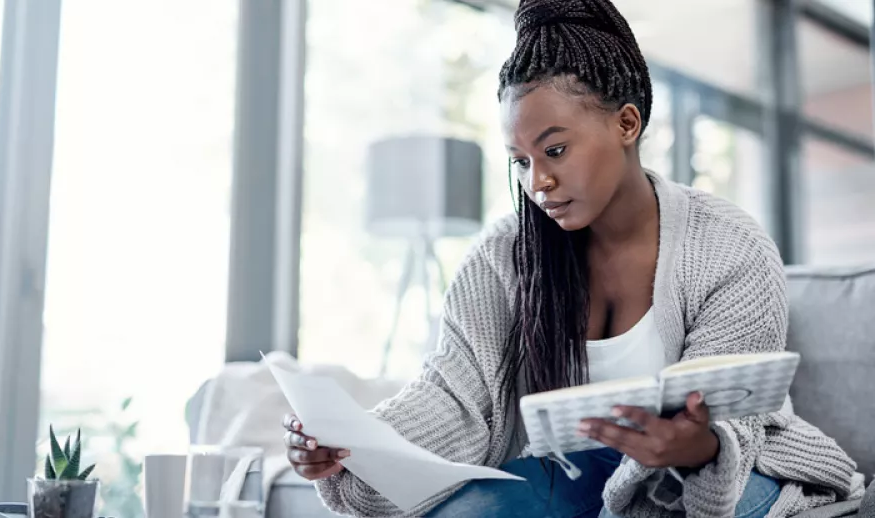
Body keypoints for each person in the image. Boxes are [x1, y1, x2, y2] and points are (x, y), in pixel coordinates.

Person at [282, 0, 864, 516]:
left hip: (721, 476)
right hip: (572, 473)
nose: (539, 181)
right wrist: (352, 447)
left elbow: (734, 413)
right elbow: (454, 397)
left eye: (555, 149)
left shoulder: (730, 245)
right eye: (520, 159)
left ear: (626, 123)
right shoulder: (502, 257)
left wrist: (698, 446)